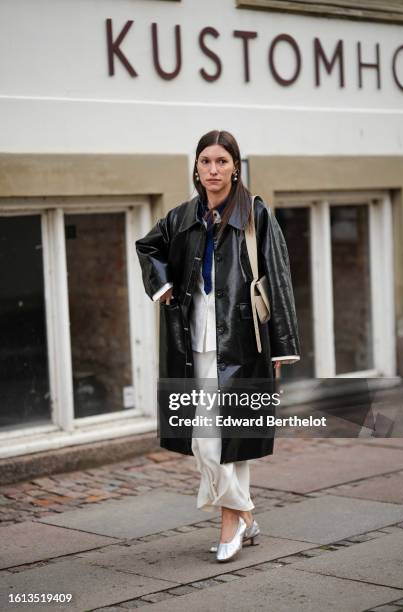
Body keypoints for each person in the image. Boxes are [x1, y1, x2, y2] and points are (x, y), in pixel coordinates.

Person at [135, 129, 300, 562]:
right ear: (196, 166)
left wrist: (281, 346)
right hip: (191, 342)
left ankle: (230, 523)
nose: (213, 169)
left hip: (243, 343)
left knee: (225, 438)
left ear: (235, 167)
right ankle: (245, 514)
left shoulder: (255, 214)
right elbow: (147, 246)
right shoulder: (182, 215)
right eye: (206, 161)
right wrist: (163, 285)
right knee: (205, 438)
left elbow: (278, 277)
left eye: (222, 162)